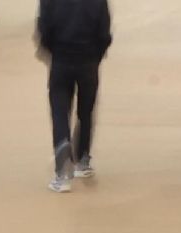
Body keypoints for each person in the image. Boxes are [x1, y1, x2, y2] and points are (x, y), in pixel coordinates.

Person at [37, 0, 112, 190]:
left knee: (60, 111)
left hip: (61, 58)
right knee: (86, 111)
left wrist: (52, 51)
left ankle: (62, 172)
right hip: (89, 60)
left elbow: (44, 28)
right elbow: (104, 31)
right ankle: (83, 159)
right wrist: (96, 55)